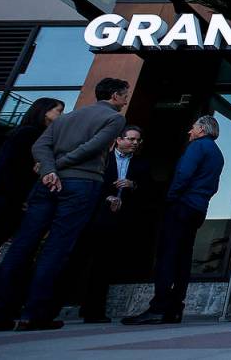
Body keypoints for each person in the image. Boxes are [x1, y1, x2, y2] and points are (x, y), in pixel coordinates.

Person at [0, 78, 129, 332]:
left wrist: (49, 169)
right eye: (125, 94)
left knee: (23, 244)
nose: (126, 99)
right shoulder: (115, 119)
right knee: (56, 248)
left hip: (47, 182)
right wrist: (60, 165)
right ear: (115, 96)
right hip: (81, 183)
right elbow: (94, 147)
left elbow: (41, 146)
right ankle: (35, 314)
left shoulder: (67, 118)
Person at [122, 116, 224, 326]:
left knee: (168, 255)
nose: (189, 131)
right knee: (183, 257)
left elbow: (183, 173)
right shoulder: (217, 153)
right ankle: (175, 307)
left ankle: (159, 307)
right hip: (198, 208)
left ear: (203, 129)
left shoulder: (197, 147)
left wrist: (171, 197)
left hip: (182, 205)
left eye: (193, 127)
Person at [77, 125, 150, 323]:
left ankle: (94, 310)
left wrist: (133, 185)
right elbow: (89, 184)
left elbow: (149, 191)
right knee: (80, 260)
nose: (134, 143)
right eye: (131, 139)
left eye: (137, 140)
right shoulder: (102, 159)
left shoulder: (142, 165)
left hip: (120, 220)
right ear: (118, 140)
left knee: (104, 264)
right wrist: (106, 197)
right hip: (95, 217)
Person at [0, 98, 65, 261]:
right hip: (3, 199)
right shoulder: (30, 134)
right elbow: (11, 167)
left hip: (6, 198)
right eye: (59, 110)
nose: (61, 115)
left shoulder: (31, 133)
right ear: (45, 111)